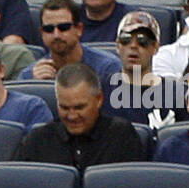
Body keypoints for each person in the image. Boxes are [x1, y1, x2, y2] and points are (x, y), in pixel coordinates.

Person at [13, 62, 144, 172]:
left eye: (79, 107)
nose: (72, 116)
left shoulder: (121, 136)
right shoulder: (37, 140)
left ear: (99, 100)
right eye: (64, 107)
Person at [16, 0, 124, 91]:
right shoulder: (28, 77)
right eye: (49, 29)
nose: (56, 35)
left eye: (64, 28)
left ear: (79, 29)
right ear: (42, 33)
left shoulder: (108, 69)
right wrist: (37, 87)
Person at [107, 10, 186, 128]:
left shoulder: (179, 94)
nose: (133, 46)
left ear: (156, 47)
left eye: (143, 40)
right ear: (118, 45)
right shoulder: (100, 90)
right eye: (126, 39)